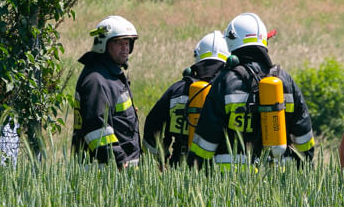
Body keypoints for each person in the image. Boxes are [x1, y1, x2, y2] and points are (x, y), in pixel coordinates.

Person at [187, 12, 315, 169]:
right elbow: (303, 132)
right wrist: (305, 166)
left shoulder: (225, 80)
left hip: (230, 180)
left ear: (231, 43)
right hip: (278, 177)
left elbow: (207, 136)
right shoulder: (284, 79)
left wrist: (194, 167)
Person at [142, 31, 229, 167]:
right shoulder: (229, 88)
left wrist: (161, 158)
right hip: (219, 169)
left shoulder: (176, 90)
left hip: (180, 166)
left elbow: (152, 127)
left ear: (198, 56)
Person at [72, 15, 141, 169]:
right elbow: (97, 128)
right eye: (119, 43)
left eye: (128, 43)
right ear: (103, 44)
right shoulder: (96, 80)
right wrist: (119, 161)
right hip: (103, 172)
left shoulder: (110, 75)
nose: (125, 49)